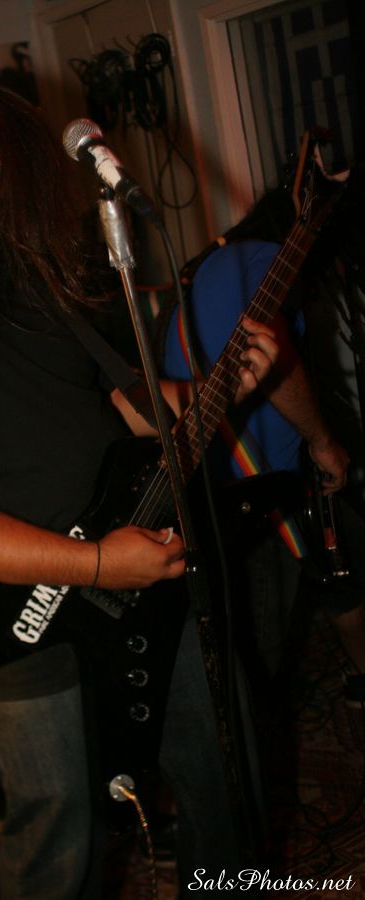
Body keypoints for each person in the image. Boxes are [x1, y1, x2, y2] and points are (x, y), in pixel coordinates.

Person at [0, 69, 280, 898]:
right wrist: (100, 564)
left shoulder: (34, 284)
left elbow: (132, 405)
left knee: (224, 778)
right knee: (58, 843)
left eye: (1, 164)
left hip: (144, 576)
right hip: (23, 626)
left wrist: (228, 383)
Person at [158, 188, 365, 701]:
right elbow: (271, 357)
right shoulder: (267, 261)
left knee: (335, 571)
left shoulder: (215, 268)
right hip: (253, 486)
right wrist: (322, 441)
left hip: (218, 479)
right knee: (259, 646)